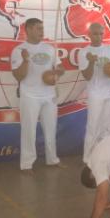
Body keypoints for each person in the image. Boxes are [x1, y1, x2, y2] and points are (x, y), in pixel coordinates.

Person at [11, 18, 64, 172]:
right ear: (28, 30)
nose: (42, 31)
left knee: (51, 128)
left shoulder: (49, 48)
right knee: (29, 130)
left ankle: (52, 159)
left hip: (49, 95)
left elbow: (61, 68)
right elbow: (18, 76)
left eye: (42, 28)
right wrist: (26, 60)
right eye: (38, 28)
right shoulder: (19, 50)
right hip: (29, 95)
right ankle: (27, 164)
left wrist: (57, 72)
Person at [79, 22, 110, 165]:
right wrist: (91, 62)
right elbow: (87, 76)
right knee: (93, 126)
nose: (99, 36)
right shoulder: (84, 52)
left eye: (101, 34)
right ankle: (88, 158)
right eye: (95, 34)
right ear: (89, 35)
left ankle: (104, 156)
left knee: (108, 127)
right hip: (95, 93)